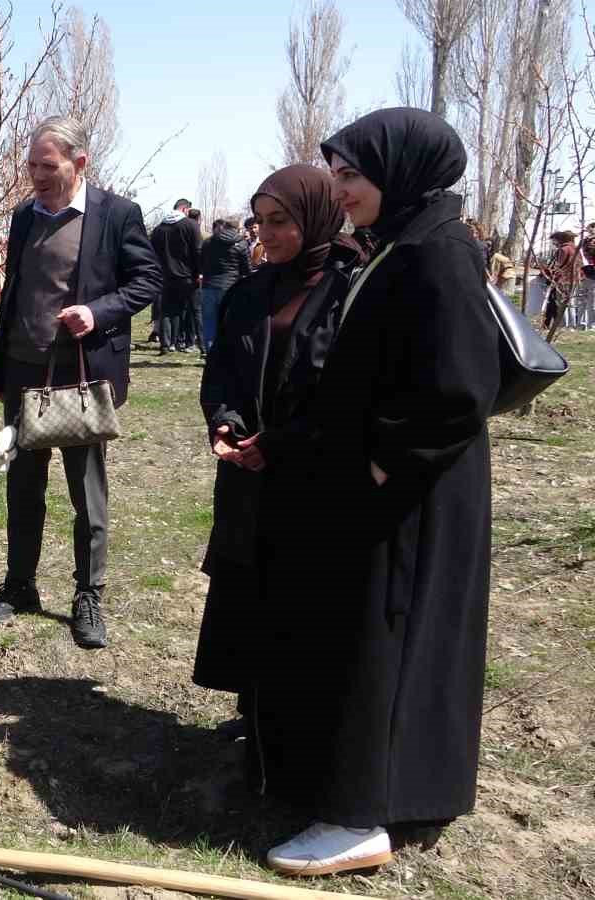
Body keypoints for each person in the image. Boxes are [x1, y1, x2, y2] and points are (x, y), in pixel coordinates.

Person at [246, 107, 500, 878]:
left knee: (386, 642)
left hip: (411, 498)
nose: (340, 187)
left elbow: (459, 388)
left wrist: (384, 463)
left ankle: (360, 815)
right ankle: (368, 789)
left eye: (352, 173)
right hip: (389, 487)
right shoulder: (405, 245)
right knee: (367, 640)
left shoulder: (438, 254)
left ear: (401, 170)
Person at [193, 164, 357, 755]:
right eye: (260, 222)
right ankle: (254, 709)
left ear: (314, 216)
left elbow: (350, 391)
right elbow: (224, 374)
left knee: (303, 598)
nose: (268, 235)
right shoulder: (250, 291)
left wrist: (282, 443)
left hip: (313, 473)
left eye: (281, 221)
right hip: (249, 472)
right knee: (250, 589)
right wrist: (226, 424)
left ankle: (297, 721)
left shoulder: (350, 290)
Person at [0, 116, 161, 648]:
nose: (36, 174)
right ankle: (19, 585)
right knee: (22, 487)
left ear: (80, 162)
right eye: (31, 163)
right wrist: (0, 368)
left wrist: (99, 311)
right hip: (25, 373)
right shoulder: (23, 217)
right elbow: (14, 295)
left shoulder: (116, 214)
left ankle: (88, 595)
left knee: (87, 492)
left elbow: (148, 278)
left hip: (81, 376)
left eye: (47, 165)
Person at [150, 197, 201, 353]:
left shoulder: (159, 228)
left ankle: (166, 344)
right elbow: (197, 251)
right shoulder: (190, 225)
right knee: (192, 310)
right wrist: (200, 272)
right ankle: (190, 343)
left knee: (167, 311)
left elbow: (152, 253)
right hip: (187, 276)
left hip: (165, 276)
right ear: (185, 209)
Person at [197, 218, 252, 353]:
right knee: (229, 321)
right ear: (237, 228)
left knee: (209, 321)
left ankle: (209, 351)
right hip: (230, 286)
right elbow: (246, 269)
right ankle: (227, 351)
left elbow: (201, 262)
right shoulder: (241, 243)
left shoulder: (208, 242)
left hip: (208, 285)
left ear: (224, 227)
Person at [544, 230, 578, 335]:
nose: (553, 242)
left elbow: (559, 266)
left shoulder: (563, 249)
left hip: (563, 280)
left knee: (562, 304)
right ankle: (572, 325)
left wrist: (552, 275)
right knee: (570, 303)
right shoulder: (575, 248)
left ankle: (563, 326)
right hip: (574, 279)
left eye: (554, 240)